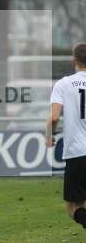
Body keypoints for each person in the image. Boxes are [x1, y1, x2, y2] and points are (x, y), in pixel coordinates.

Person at [46, 43, 86, 229]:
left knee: (73, 206)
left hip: (77, 153)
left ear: (73, 61)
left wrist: (49, 136)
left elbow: (54, 118)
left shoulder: (63, 84)